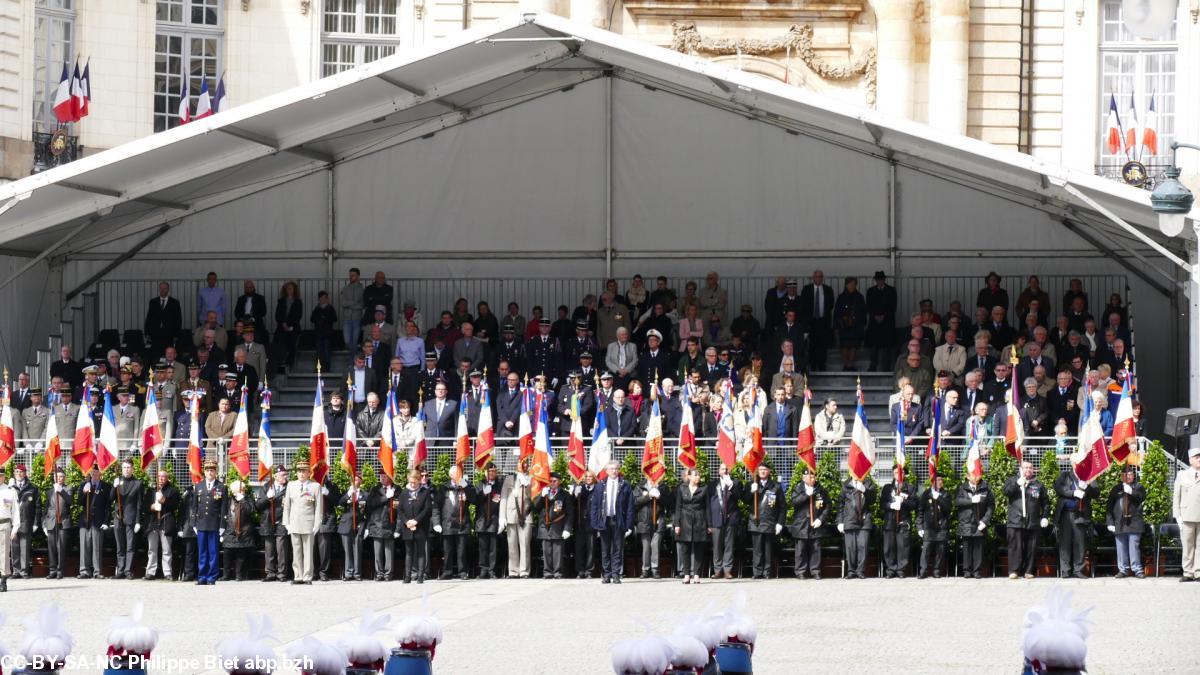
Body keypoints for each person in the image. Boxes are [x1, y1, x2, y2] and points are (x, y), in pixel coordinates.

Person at [590, 459, 634, 584]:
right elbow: (595, 505)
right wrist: (595, 522)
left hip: (618, 520)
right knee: (605, 549)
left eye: (616, 468)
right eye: (611, 469)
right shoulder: (600, 485)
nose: (614, 471)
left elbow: (630, 506)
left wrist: (629, 524)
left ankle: (616, 574)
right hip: (604, 520)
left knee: (617, 548)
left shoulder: (625, 484)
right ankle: (606, 574)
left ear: (618, 470)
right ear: (606, 471)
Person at [1004, 460, 1050, 579]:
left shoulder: (1038, 484)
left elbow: (1045, 503)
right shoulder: (1012, 480)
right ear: (1020, 469)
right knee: (1015, 547)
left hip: (1033, 522)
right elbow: (1006, 492)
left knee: (1031, 547)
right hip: (1015, 521)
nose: (1028, 470)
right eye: (1025, 467)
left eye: (1030, 467)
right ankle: (1014, 571)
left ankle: (1028, 571)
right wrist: (1017, 484)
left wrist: (1045, 516)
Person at [1052, 467, 1098, 579]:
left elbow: (1096, 493)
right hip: (1065, 515)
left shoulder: (1089, 477)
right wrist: (1073, 493)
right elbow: (1058, 488)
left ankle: (1078, 570)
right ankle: (1066, 570)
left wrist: (1086, 487)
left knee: (1080, 543)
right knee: (1065, 543)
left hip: (1081, 515)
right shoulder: (1065, 475)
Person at [283, 459, 323, 585]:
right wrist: (286, 523)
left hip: (308, 523)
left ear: (308, 473)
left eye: (303, 471)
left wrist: (317, 524)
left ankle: (307, 576)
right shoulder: (291, 485)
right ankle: (298, 576)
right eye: (299, 471)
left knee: (308, 551)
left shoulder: (315, 486)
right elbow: (287, 506)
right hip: (294, 523)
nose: (301, 474)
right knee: (296, 551)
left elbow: (318, 507)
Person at [433, 465, 474, 580]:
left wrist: (466, 487)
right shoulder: (443, 488)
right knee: (447, 550)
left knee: (462, 551)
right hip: (448, 523)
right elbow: (436, 506)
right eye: (456, 473)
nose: (458, 475)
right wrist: (436, 523)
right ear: (451, 475)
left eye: (459, 473)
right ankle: (447, 571)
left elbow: (474, 499)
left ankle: (462, 572)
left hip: (462, 523)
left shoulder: (465, 486)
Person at [789, 468, 830, 580]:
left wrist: (821, 519)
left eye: (813, 476)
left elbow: (827, 506)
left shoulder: (821, 490)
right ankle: (800, 571)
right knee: (800, 550)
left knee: (815, 549)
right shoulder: (798, 489)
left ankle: (815, 571)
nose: (811, 479)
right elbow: (794, 502)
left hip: (815, 524)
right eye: (809, 476)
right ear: (803, 477)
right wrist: (806, 495)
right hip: (801, 524)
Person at [744, 464, 784, 579]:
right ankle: (757, 572)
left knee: (768, 550)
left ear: (769, 471)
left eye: (764, 469)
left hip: (769, 522)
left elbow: (782, 506)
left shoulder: (775, 486)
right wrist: (751, 491)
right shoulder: (752, 484)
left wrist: (780, 523)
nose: (762, 471)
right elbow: (745, 500)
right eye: (760, 469)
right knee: (757, 550)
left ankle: (767, 572)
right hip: (755, 521)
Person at [1106, 465, 1146, 579]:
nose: (1128, 476)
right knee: (1121, 547)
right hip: (1120, 522)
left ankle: (1137, 569)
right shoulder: (1116, 488)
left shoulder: (1138, 486)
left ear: (1134, 475)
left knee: (1134, 546)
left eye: (1130, 474)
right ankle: (1123, 569)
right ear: (1121, 476)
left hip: (1134, 522)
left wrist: (1131, 491)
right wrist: (1110, 522)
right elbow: (1109, 506)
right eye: (1125, 474)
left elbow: (1141, 497)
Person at [955, 465, 994, 579]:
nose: (977, 476)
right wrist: (970, 500)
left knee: (978, 548)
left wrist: (985, 521)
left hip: (979, 522)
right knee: (967, 547)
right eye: (974, 473)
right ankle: (967, 571)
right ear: (968, 476)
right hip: (966, 522)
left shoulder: (985, 488)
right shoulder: (961, 488)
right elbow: (957, 501)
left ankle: (977, 571)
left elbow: (991, 506)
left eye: (978, 473)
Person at [533, 473, 574, 579]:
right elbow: (535, 509)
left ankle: (558, 572)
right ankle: (547, 572)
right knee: (546, 551)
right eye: (550, 481)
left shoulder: (565, 495)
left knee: (557, 551)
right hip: (544, 526)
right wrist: (542, 496)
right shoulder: (544, 493)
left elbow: (570, 513)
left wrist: (567, 529)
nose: (552, 483)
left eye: (554, 481)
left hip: (558, 526)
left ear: (559, 482)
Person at [879, 465, 917, 578]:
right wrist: (891, 505)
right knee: (889, 546)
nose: (898, 474)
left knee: (903, 546)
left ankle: (901, 569)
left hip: (903, 521)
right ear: (893, 474)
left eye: (900, 472)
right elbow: (882, 504)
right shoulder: (887, 488)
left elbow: (915, 504)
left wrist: (903, 503)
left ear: (904, 474)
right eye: (896, 472)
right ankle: (890, 569)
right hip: (890, 521)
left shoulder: (910, 488)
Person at [111, 459, 145, 580]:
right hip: (118, 517)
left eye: (128, 467)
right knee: (120, 546)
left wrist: (138, 521)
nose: (126, 470)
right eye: (124, 467)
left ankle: (128, 570)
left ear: (132, 469)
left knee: (130, 546)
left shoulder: (138, 483)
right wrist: (114, 487)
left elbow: (139, 504)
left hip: (131, 518)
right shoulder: (117, 481)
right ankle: (120, 570)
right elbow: (111, 499)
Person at [707, 462, 742, 579]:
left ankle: (727, 570)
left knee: (729, 546)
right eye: (722, 469)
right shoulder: (712, 485)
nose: (725, 471)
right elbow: (708, 504)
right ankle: (717, 570)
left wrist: (731, 485)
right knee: (716, 546)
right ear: (718, 471)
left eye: (727, 469)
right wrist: (709, 523)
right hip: (716, 519)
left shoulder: (736, 483)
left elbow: (739, 496)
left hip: (731, 519)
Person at [76, 465, 112, 579]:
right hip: (85, 520)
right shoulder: (84, 484)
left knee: (97, 547)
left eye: (97, 472)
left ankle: (97, 571)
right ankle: (84, 571)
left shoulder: (106, 486)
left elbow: (108, 506)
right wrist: (84, 492)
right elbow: (79, 502)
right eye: (93, 472)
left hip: (98, 520)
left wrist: (106, 521)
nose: (95, 474)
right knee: (84, 547)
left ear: (101, 473)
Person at [673, 468, 709, 585]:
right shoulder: (681, 488)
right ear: (689, 477)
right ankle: (687, 574)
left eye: (699, 475)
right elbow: (678, 507)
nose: (698, 477)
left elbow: (707, 507)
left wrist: (709, 524)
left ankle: (697, 574)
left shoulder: (704, 488)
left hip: (700, 520)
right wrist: (677, 524)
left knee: (699, 548)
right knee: (685, 549)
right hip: (685, 520)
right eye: (695, 475)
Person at [193, 459, 225, 585]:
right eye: (207, 470)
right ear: (204, 472)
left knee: (213, 552)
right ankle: (202, 576)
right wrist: (194, 523)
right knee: (202, 552)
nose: (210, 472)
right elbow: (194, 506)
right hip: (201, 524)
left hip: (214, 524)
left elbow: (224, 508)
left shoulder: (221, 487)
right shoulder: (199, 486)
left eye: (212, 470)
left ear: (216, 472)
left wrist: (222, 525)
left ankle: (212, 577)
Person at [838, 473, 876, 579]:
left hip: (864, 520)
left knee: (863, 546)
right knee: (850, 547)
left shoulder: (868, 483)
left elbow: (873, 499)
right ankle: (851, 571)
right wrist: (840, 521)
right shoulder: (845, 485)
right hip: (849, 520)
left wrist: (865, 490)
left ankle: (860, 571)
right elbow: (840, 505)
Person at [500, 462, 535, 578]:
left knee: (525, 544)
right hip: (511, 515)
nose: (524, 467)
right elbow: (504, 498)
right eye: (521, 465)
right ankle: (513, 571)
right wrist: (502, 516)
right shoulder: (509, 478)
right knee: (512, 544)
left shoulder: (531, 478)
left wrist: (528, 484)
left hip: (526, 515)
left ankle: (524, 571)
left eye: (526, 465)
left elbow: (534, 497)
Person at [144, 470, 180, 581]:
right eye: (159, 476)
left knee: (166, 549)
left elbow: (175, 506)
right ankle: (150, 572)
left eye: (163, 476)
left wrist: (164, 500)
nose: (161, 479)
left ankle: (167, 572)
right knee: (152, 549)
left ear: (167, 478)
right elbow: (144, 506)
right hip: (153, 523)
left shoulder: (173, 490)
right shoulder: (151, 490)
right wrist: (152, 507)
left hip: (165, 522)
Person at [256, 465, 290, 582]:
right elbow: (258, 505)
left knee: (282, 549)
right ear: (275, 476)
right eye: (283, 475)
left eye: (286, 474)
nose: (285, 477)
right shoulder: (267, 487)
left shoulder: (289, 487)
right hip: (268, 521)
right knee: (269, 549)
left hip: (282, 521)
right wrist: (267, 497)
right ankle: (270, 573)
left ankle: (282, 574)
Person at [398, 469, 432, 583]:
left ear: (419, 481)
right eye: (411, 482)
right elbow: (400, 510)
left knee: (421, 551)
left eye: (415, 482)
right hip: (407, 526)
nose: (412, 484)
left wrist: (416, 521)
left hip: (420, 526)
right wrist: (407, 522)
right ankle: (407, 576)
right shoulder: (404, 493)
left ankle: (420, 576)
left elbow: (427, 510)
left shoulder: (425, 492)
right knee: (409, 552)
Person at [916, 475, 953, 578]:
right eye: (937, 479)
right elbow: (920, 511)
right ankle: (923, 570)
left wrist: (939, 498)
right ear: (932, 481)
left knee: (940, 550)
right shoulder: (926, 493)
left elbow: (948, 509)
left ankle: (936, 570)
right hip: (928, 526)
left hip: (941, 526)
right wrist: (919, 526)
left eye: (941, 479)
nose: (940, 481)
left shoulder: (946, 494)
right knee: (926, 549)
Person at [1172, 448, 1200, 582]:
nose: (1199, 459)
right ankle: (1188, 572)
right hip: (1187, 516)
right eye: (1197, 457)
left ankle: (1198, 572)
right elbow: (1176, 496)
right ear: (1190, 460)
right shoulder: (1182, 475)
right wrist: (1177, 516)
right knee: (1188, 545)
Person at [366, 472, 400, 581]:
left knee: (389, 551)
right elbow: (370, 504)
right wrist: (386, 497)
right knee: (378, 551)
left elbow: (400, 507)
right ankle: (379, 573)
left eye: (385, 476)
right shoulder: (375, 489)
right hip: (377, 524)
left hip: (390, 524)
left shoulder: (397, 489)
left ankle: (388, 573)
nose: (383, 478)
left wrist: (398, 527)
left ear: (390, 477)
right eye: (381, 476)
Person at [40, 468, 73, 580]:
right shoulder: (49, 491)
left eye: (62, 476)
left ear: (65, 478)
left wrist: (61, 491)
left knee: (61, 547)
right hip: (51, 522)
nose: (60, 478)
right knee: (52, 548)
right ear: (54, 478)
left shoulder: (68, 488)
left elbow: (70, 501)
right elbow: (46, 509)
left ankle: (60, 570)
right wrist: (44, 524)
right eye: (58, 476)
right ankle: (52, 570)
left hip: (63, 522)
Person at [472, 463, 504, 579]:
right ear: (486, 472)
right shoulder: (480, 484)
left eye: (494, 471)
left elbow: (502, 502)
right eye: (490, 471)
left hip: (494, 519)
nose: (492, 473)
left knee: (493, 548)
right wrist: (483, 493)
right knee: (482, 547)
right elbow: (474, 500)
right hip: (482, 520)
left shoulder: (500, 486)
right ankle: (483, 570)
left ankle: (492, 570)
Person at [633, 476, 668, 579]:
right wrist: (648, 496)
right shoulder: (640, 486)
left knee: (655, 545)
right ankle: (645, 569)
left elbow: (669, 502)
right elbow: (635, 501)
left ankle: (655, 569)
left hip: (658, 519)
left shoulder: (663, 486)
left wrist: (659, 496)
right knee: (646, 546)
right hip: (644, 520)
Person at [6, 465, 37, 579]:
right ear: (14, 474)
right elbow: (5, 506)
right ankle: (16, 571)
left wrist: (35, 523)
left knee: (24, 547)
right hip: (13, 522)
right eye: (17, 472)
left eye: (21, 472)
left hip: (26, 521)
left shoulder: (32, 488)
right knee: (14, 548)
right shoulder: (9, 488)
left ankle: (24, 571)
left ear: (25, 473)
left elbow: (37, 507)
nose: (19, 474)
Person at [222, 480, 256, 582]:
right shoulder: (228, 500)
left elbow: (251, 511)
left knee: (241, 555)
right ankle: (226, 575)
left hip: (244, 532)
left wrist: (243, 500)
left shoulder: (248, 500)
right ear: (233, 492)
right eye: (239, 490)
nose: (242, 491)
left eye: (243, 490)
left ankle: (239, 575)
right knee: (227, 554)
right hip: (230, 531)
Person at [337, 475, 366, 581]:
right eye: (354, 479)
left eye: (358, 479)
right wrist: (349, 493)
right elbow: (340, 503)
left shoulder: (365, 494)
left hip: (359, 525)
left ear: (361, 482)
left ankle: (357, 573)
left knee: (357, 549)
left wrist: (365, 527)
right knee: (347, 550)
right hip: (346, 525)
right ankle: (348, 573)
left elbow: (367, 511)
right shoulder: (346, 492)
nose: (356, 481)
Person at [835, 276, 867, 371]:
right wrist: (839, 322)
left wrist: (862, 323)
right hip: (843, 326)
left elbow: (863, 312)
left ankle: (851, 365)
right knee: (844, 345)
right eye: (850, 284)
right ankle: (845, 364)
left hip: (856, 326)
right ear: (846, 285)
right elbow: (837, 312)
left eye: (854, 284)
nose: (852, 286)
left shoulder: (859, 297)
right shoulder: (841, 297)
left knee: (854, 345)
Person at [145, 281, 183, 354]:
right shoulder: (153, 302)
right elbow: (149, 317)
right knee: (156, 352)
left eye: (164, 288)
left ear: (168, 289)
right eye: (161, 288)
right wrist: (147, 332)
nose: (162, 290)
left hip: (169, 333)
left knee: (168, 352)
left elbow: (178, 319)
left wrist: (176, 334)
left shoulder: (175, 302)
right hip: (155, 333)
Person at [316, 473, 341, 582]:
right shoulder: (312, 485)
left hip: (327, 519)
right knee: (311, 547)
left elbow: (338, 501)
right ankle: (312, 572)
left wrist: (328, 493)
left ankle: (323, 572)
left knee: (324, 548)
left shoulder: (332, 486)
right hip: (312, 519)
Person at [340, 268, 365, 360]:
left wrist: (350, 304)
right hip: (347, 319)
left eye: (353, 275)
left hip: (357, 319)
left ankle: (353, 362)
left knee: (354, 342)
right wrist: (354, 303)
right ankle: (356, 356)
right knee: (347, 341)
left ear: (358, 276)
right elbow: (343, 303)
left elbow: (362, 304)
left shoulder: (362, 289)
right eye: (350, 275)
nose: (351, 277)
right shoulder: (345, 288)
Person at [0, 475, 19, 592]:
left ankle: (3, 580)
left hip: (4, 523)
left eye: (0, 476)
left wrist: (15, 528)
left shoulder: (10, 491)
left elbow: (16, 510)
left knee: (4, 553)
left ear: (4, 477)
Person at [311, 290, 338, 371]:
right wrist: (319, 319)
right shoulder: (316, 308)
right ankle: (318, 368)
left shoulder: (330, 308)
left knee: (326, 352)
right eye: (321, 298)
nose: (323, 300)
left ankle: (327, 368)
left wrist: (325, 318)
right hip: (318, 333)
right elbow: (312, 319)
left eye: (325, 298)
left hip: (327, 334)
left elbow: (334, 318)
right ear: (319, 299)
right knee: (318, 352)